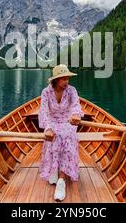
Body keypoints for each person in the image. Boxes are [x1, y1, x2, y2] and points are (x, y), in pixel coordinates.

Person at [38, 64, 84, 201]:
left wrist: (76, 115)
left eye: (67, 79)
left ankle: (61, 181)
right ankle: (53, 169)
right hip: (51, 122)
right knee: (54, 137)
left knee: (67, 136)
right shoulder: (46, 92)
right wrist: (48, 128)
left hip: (67, 122)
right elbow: (44, 112)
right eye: (63, 79)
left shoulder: (72, 91)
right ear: (56, 80)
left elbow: (76, 105)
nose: (66, 82)